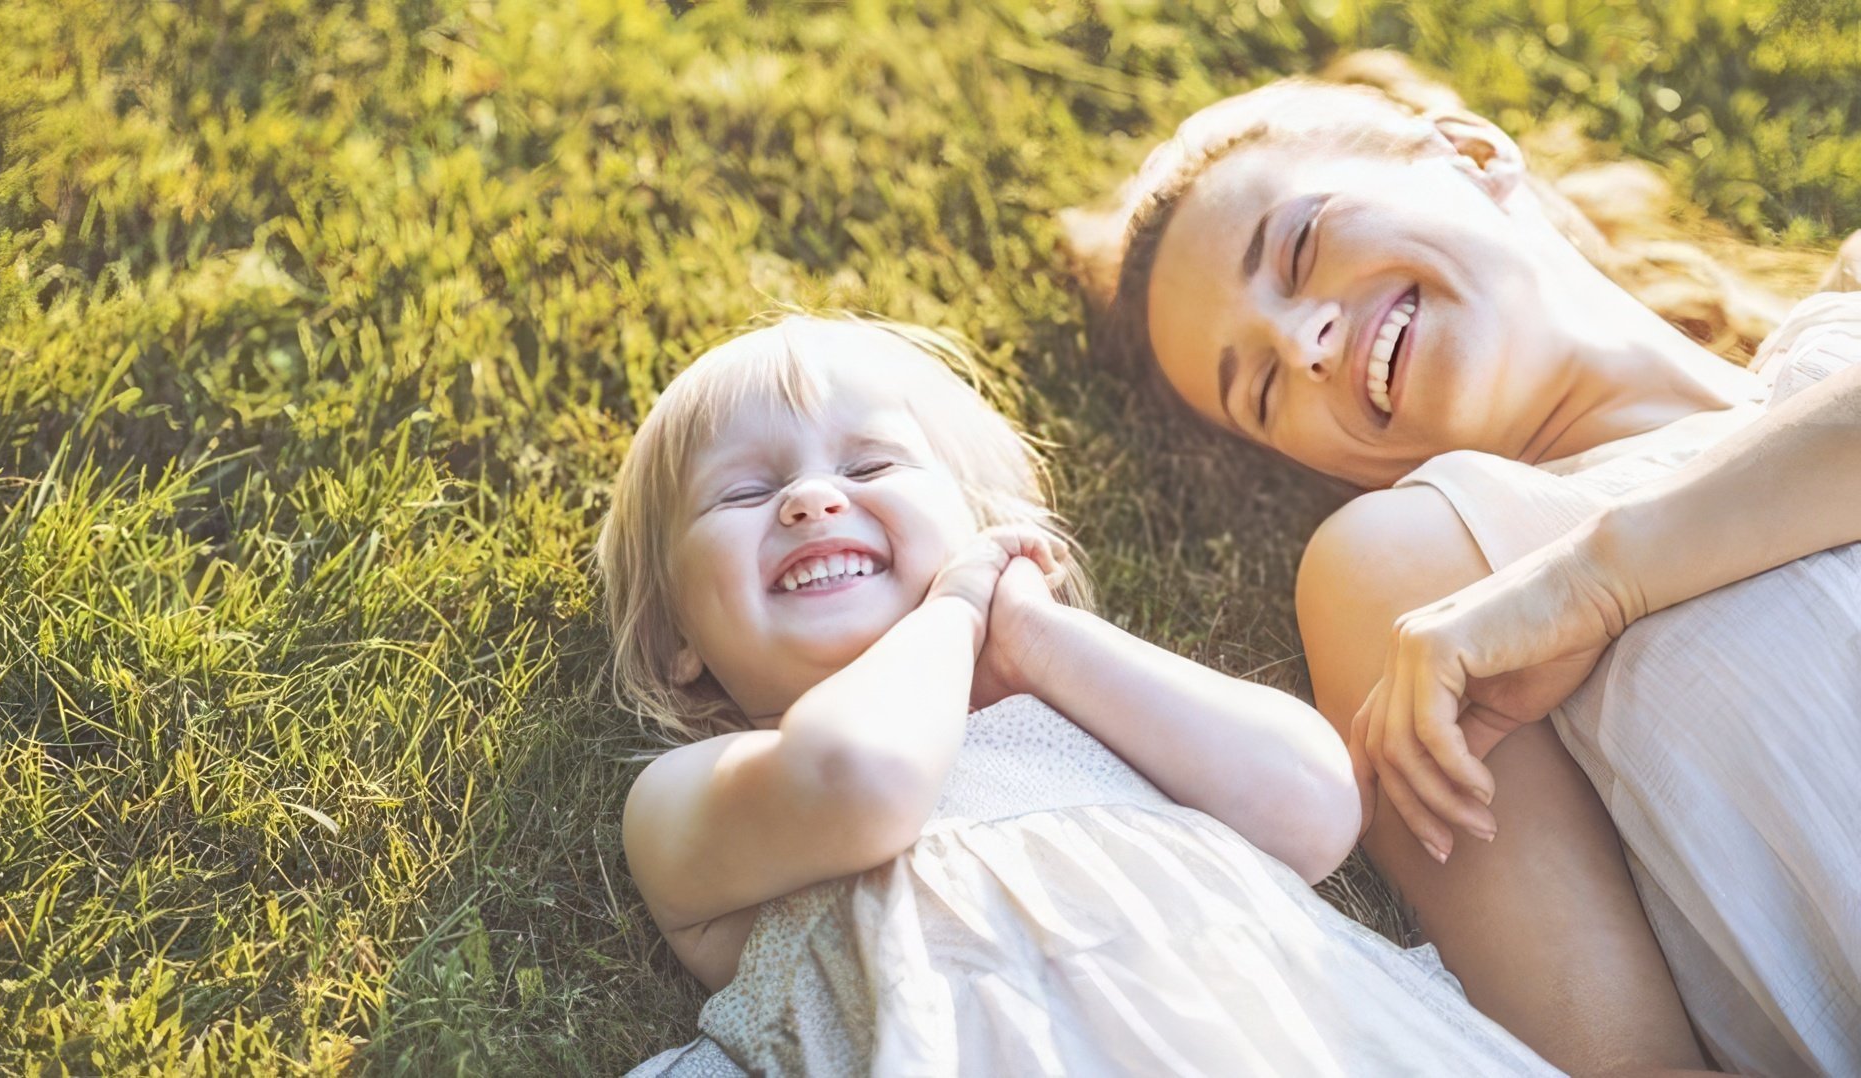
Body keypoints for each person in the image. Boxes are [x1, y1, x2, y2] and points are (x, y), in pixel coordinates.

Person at [1066, 63, 1861, 1076]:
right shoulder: (1428, 573)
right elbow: (1620, 1057)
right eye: (1263, 387)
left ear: (1473, 154)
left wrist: (1600, 579)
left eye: (1301, 246)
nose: (1304, 339)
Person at [599, 314, 1559, 1074]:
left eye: (869, 466)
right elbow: (860, 777)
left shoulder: (1083, 710)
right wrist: (954, 614)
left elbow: (1312, 804)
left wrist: (1035, 635)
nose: (811, 501)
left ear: (984, 533)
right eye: (741, 495)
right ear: (680, 639)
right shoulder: (700, 789)